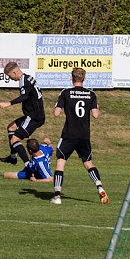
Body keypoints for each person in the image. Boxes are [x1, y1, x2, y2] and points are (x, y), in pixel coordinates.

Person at [50, 67, 108, 205]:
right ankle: (99, 187)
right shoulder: (91, 94)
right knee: (88, 163)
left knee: (60, 162)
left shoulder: (65, 93)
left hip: (69, 134)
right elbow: (95, 115)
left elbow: (56, 113)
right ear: (84, 79)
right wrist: (96, 106)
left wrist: (57, 105)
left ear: (72, 78)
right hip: (84, 135)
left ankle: (57, 197)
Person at [0, 61, 45, 166]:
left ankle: (28, 165)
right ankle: (13, 157)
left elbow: (24, 96)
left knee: (14, 139)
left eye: (9, 76)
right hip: (34, 115)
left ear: (14, 72)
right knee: (11, 127)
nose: (10, 78)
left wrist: (8, 103)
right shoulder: (28, 78)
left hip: (33, 117)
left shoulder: (24, 81)